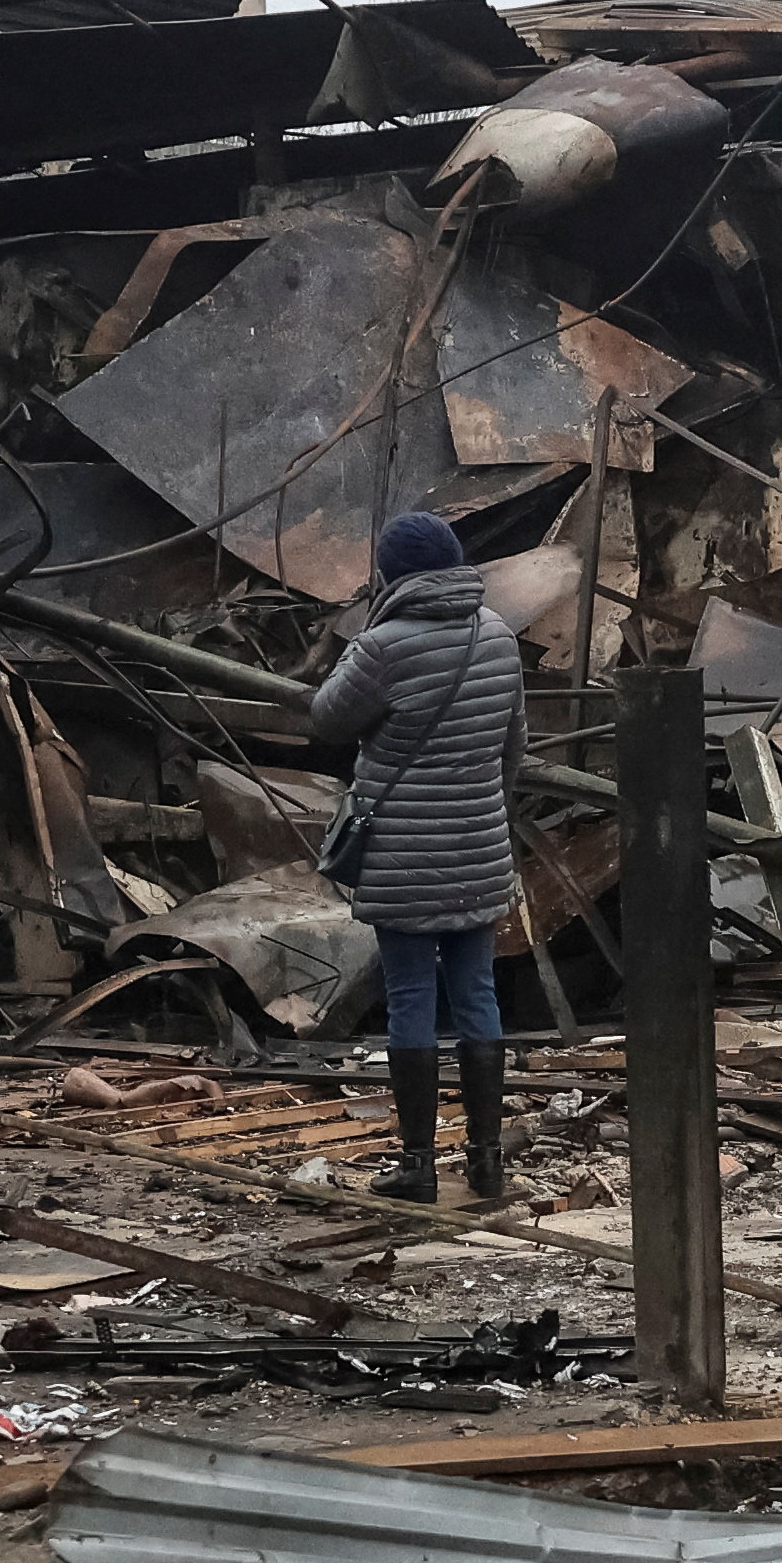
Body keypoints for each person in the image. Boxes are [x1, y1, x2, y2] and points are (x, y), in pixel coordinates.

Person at [307, 508, 527, 1206]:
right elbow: (514, 747)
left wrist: (357, 647)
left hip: (401, 855)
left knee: (410, 998)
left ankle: (418, 1165)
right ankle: (487, 1162)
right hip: (481, 847)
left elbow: (326, 719)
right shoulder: (498, 637)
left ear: (390, 575)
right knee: (477, 995)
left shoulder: (381, 648)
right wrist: (481, 808)